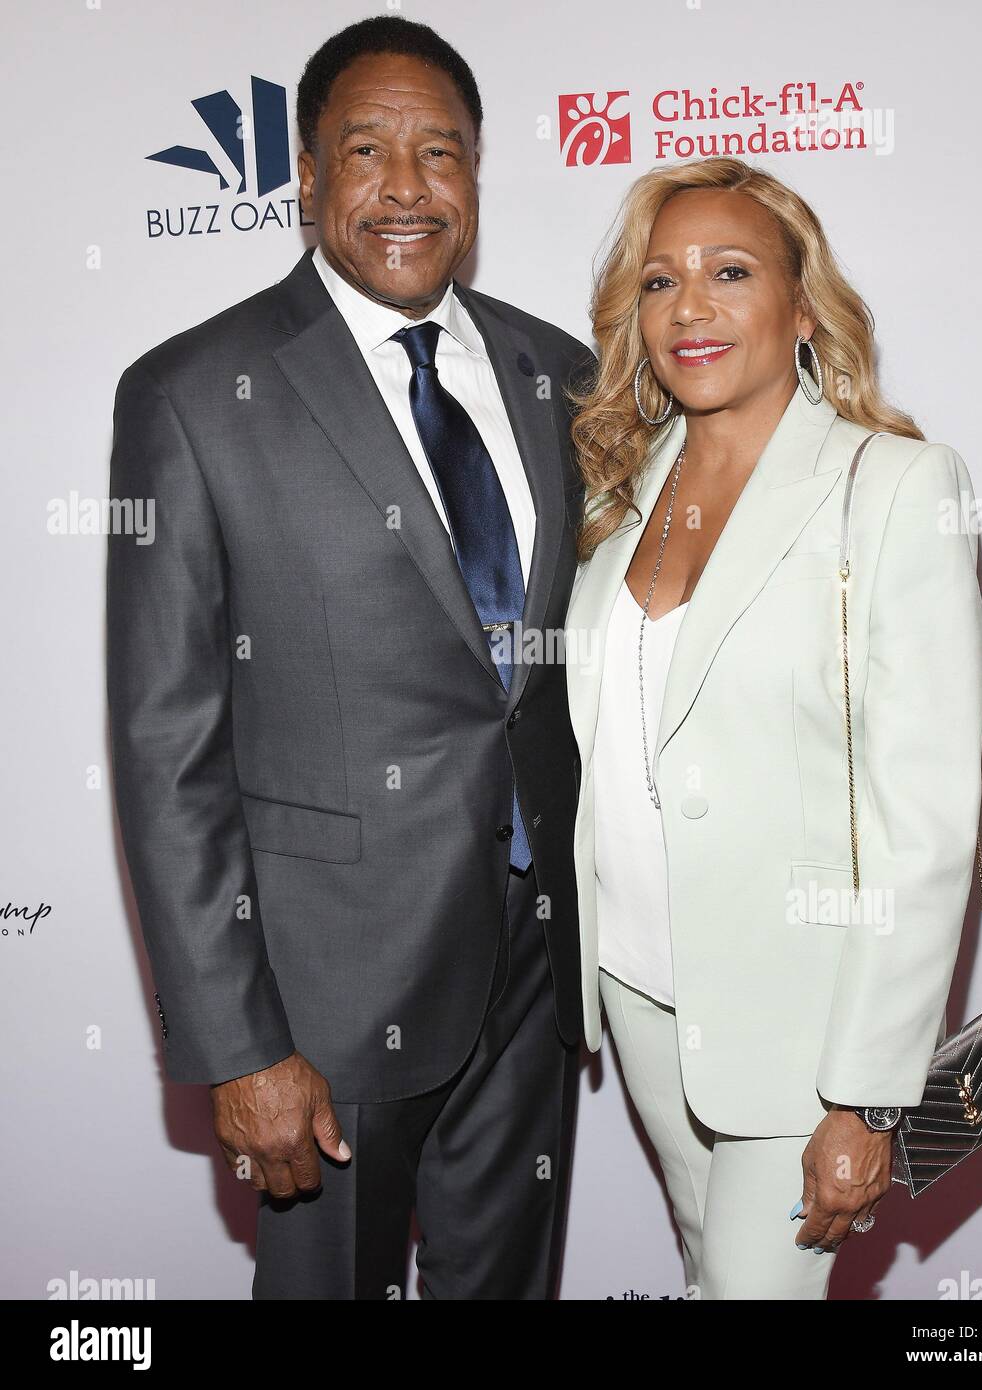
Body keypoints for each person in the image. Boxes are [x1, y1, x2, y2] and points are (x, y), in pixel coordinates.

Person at [107, 15, 592, 1300]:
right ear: (307, 175)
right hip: (323, 997)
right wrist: (237, 1041)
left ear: (477, 175)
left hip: (535, 969)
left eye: (440, 151)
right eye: (363, 148)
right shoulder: (195, 393)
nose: (405, 185)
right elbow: (167, 747)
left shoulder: (560, 373)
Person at [565, 156, 982, 1299]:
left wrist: (864, 1091)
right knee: (711, 1273)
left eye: (729, 271)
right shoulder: (617, 499)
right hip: (644, 997)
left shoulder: (891, 487)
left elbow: (927, 818)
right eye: (659, 281)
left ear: (801, 307)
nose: (688, 307)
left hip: (803, 1026)